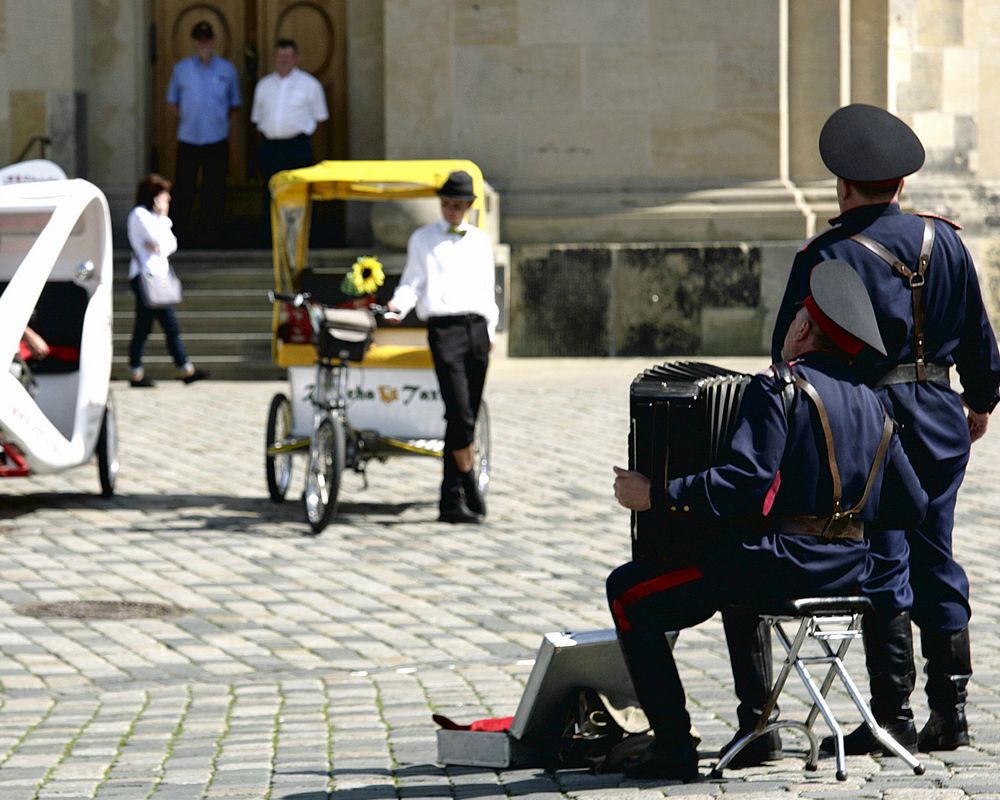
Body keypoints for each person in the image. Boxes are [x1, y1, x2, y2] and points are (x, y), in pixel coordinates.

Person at [608, 260, 928, 781]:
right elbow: (911, 506)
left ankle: (672, 746)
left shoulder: (777, 388)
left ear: (802, 328)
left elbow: (744, 481)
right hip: (848, 572)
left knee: (628, 591)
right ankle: (757, 727)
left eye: (797, 317)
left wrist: (659, 494)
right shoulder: (874, 405)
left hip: (782, 569)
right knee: (738, 562)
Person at [771, 104, 1000, 755]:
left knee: (884, 560)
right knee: (938, 555)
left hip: (869, 429)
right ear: (902, 184)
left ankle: (891, 715)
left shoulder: (827, 255)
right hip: (942, 418)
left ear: (843, 185)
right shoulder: (948, 241)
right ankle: (950, 711)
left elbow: (789, 359)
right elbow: (981, 338)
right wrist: (979, 400)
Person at [385, 171, 499, 524]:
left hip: (476, 328)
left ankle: (451, 500)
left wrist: (491, 330)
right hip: (444, 329)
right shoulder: (422, 239)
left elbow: (487, 288)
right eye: (447, 204)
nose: (452, 210)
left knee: (465, 414)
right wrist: (397, 307)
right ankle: (467, 482)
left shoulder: (480, 240)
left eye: (458, 205)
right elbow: (412, 282)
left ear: (468, 206)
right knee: (460, 410)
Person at [127, 173, 209, 388]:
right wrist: (162, 219)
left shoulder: (154, 219)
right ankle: (183, 369)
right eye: (164, 196)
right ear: (154, 197)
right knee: (166, 326)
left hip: (159, 277)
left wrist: (160, 236)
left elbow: (170, 245)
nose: (168, 201)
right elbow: (156, 241)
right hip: (146, 277)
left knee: (146, 327)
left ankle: (139, 372)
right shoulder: (140, 215)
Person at [166, 20, 241, 247]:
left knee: (215, 187)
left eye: (207, 39)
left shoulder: (227, 69)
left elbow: (235, 103)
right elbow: (172, 102)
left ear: (213, 40)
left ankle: (213, 235)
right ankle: (181, 235)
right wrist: (190, 116)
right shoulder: (181, 69)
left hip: (217, 137)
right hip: (188, 137)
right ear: (194, 42)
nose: (203, 43)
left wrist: (216, 118)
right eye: (199, 39)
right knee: (184, 187)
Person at [251, 38, 328, 238]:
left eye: (288, 56)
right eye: (280, 56)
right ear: (274, 58)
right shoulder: (264, 85)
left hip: (297, 146)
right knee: (271, 191)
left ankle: (300, 236)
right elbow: (257, 118)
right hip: (270, 146)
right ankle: (270, 237)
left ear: (296, 58)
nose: (283, 60)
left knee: (298, 193)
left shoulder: (310, 85)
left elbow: (320, 119)